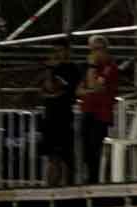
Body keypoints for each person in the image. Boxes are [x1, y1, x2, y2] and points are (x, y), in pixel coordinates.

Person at [76, 35, 119, 184]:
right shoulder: (88, 67)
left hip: (101, 113)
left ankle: (96, 180)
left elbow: (95, 86)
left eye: (98, 49)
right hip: (87, 110)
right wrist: (90, 86)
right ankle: (91, 177)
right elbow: (79, 91)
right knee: (86, 148)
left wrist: (93, 68)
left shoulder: (109, 66)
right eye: (92, 50)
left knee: (96, 147)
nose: (95, 53)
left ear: (105, 49)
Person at [40, 40, 81, 186]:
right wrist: (49, 70)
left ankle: (69, 189)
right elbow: (47, 90)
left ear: (67, 51)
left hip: (64, 117)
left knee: (67, 157)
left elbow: (59, 90)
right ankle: (51, 188)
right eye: (55, 50)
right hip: (50, 117)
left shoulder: (72, 69)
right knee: (52, 157)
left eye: (60, 50)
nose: (57, 54)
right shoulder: (50, 70)